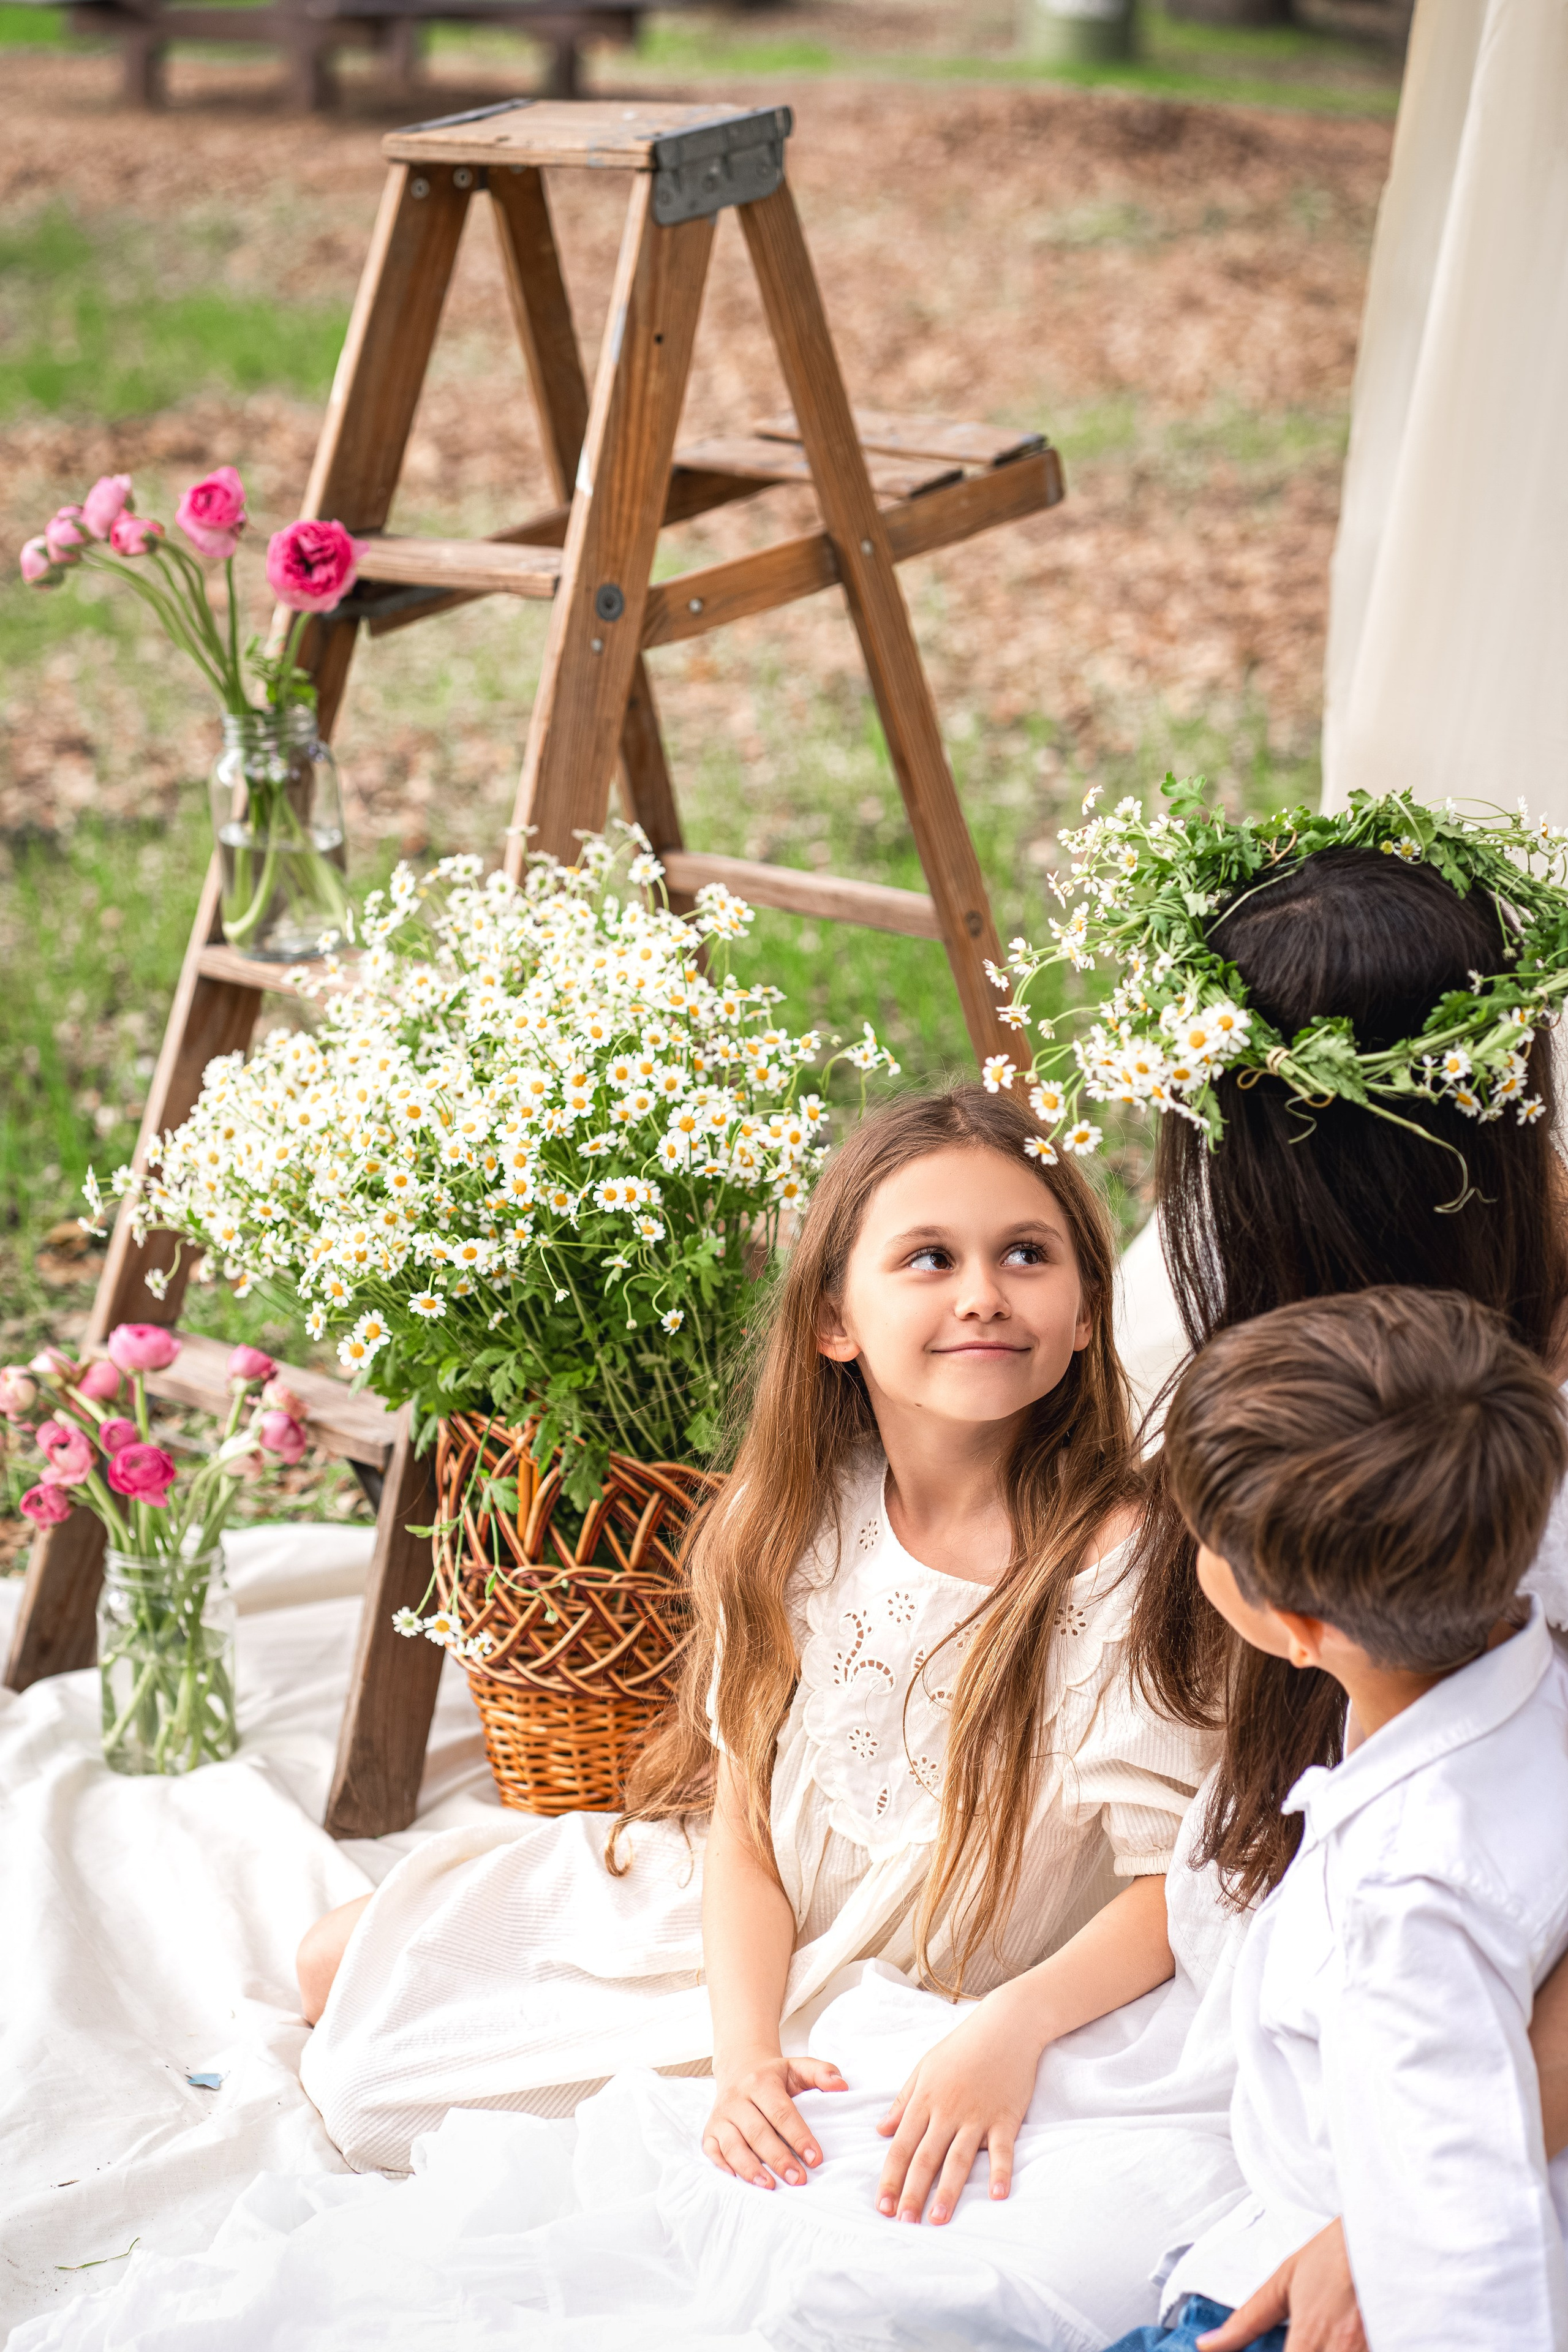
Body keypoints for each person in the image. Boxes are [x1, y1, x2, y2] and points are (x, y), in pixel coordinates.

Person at [295, 1085, 1218, 2187]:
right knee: (333, 1969)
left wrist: (1013, 2029)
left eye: (1026, 1254)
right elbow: (742, 1831)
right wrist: (744, 2055)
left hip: (941, 1987)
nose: (983, 1295)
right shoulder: (792, 1519)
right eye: (929, 1258)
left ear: (1083, 1310)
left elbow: (1172, 1884)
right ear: (835, 1320)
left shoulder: (1128, 1563)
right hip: (740, 1929)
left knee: (436, 2085)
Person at [1103, 1284, 1568, 2351]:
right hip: (1286, 2228)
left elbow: (1474, 2249)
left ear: (1298, 1628)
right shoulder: (1518, 1691)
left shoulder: (1409, 1898)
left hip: (1312, 2302)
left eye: (1205, 1540)